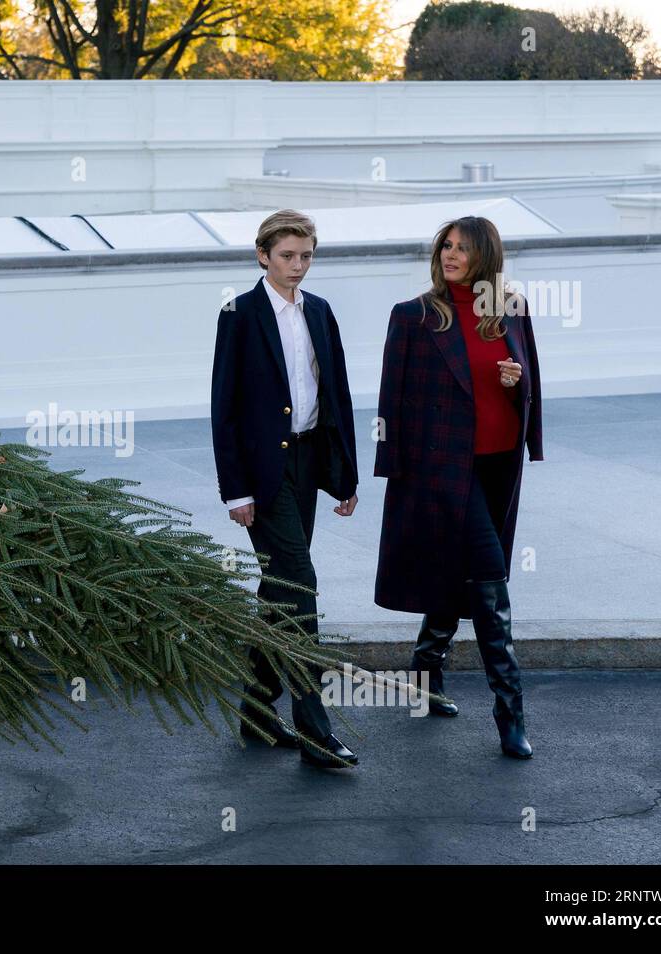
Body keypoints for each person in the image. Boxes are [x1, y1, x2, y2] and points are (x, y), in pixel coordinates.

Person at [373, 216, 544, 759]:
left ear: (485, 256)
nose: (450, 255)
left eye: (462, 249)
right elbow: (390, 401)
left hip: (498, 468)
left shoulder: (511, 310)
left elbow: (529, 381)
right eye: (445, 246)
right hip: (442, 471)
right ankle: (509, 713)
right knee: (490, 582)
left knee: (460, 568)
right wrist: (393, 473)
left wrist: (517, 384)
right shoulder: (415, 317)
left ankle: (425, 675)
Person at [211, 209, 360, 768]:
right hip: (263, 475)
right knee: (301, 589)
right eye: (287, 256)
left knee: (278, 593)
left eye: (306, 256)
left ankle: (254, 710)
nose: (297, 267)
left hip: (306, 463)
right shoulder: (239, 314)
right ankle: (315, 727)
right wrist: (236, 491)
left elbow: (337, 396)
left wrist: (343, 475)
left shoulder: (320, 312)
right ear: (262, 256)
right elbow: (223, 409)